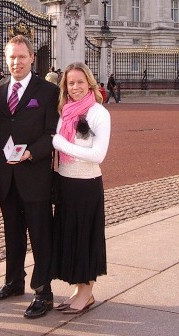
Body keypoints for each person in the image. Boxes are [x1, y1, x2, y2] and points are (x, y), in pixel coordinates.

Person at [0, 35, 59, 319]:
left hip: (35, 174)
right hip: (5, 176)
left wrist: (30, 153)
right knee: (13, 233)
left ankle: (44, 291)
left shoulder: (47, 91)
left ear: (31, 58)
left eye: (21, 57)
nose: (16, 62)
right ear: (6, 59)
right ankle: (13, 281)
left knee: (40, 235)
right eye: (12, 57)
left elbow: (52, 134)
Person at [51, 62, 110, 314]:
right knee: (70, 236)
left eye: (80, 82)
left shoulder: (98, 113)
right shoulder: (65, 111)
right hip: (66, 183)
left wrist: (59, 143)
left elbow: (98, 155)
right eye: (70, 83)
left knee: (85, 236)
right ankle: (78, 289)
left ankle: (87, 293)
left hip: (87, 185)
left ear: (89, 84)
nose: (75, 87)